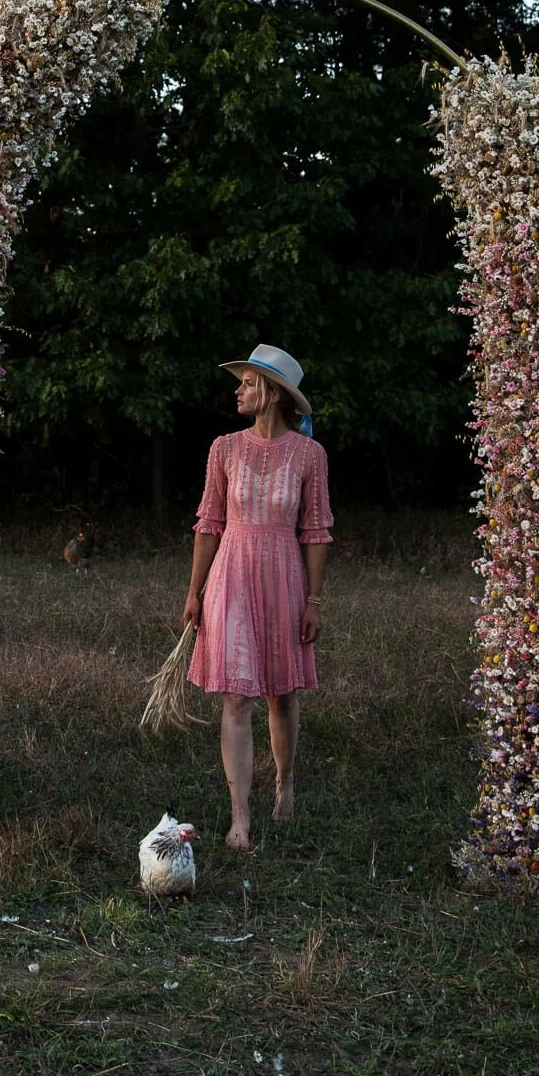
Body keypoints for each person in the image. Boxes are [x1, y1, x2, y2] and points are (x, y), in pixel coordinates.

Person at [180, 343, 332, 848]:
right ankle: (240, 816)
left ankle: (285, 784)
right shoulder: (224, 448)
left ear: (270, 394)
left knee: (281, 693)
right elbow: (209, 523)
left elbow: (315, 532)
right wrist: (194, 590)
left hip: (284, 575)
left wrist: (313, 601)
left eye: (246, 383)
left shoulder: (310, 455)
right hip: (232, 575)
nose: (238, 390)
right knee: (236, 696)